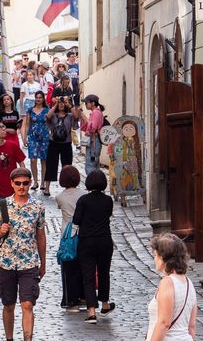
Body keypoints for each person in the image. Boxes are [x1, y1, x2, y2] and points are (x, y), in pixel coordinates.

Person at [0, 168, 46, 341]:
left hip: (29, 262)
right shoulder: (2, 205)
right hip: (6, 262)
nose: (21, 187)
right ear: (12, 184)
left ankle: (27, 339)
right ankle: (9, 338)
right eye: (18, 183)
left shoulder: (37, 207)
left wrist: (43, 263)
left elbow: (41, 235)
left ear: (30, 183)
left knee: (27, 304)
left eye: (25, 183)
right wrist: (1, 231)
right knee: (8, 305)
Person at [73, 170, 116, 324]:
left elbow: (76, 220)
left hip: (87, 242)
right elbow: (108, 215)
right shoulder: (108, 200)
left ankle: (91, 311)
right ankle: (104, 304)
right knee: (104, 273)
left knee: (88, 275)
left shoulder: (83, 200)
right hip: (104, 241)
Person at [146, 233, 197, 340]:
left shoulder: (168, 283)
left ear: (163, 257)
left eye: (155, 255)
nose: (154, 259)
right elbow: (191, 326)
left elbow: (164, 323)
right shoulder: (189, 283)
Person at [54, 165, 86, 312]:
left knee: (69, 268)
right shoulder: (84, 194)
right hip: (83, 233)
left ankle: (70, 300)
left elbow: (62, 208)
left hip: (68, 235)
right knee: (83, 266)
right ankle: (83, 296)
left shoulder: (60, 197)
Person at [44, 97, 78, 195]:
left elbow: (76, 117)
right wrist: (55, 104)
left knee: (67, 166)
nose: (61, 104)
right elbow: (48, 116)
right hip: (54, 143)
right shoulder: (54, 115)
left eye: (63, 103)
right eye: (60, 103)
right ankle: (47, 188)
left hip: (66, 143)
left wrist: (68, 104)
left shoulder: (70, 116)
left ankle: (68, 187)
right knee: (50, 165)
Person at [21, 91, 49, 191]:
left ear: (43, 99)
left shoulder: (47, 110)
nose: (38, 99)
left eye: (40, 97)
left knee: (44, 160)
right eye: (36, 97)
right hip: (32, 137)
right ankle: (35, 181)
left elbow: (50, 123)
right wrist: (24, 137)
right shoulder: (30, 110)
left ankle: (42, 182)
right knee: (33, 159)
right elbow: (26, 124)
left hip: (44, 137)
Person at [79, 94, 105, 173]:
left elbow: (92, 128)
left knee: (90, 166)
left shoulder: (96, 113)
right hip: (94, 141)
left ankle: (92, 183)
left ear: (93, 103)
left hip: (94, 141)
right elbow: (85, 128)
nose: (86, 104)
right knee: (95, 165)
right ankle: (96, 183)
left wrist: (84, 118)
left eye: (86, 103)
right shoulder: (95, 113)